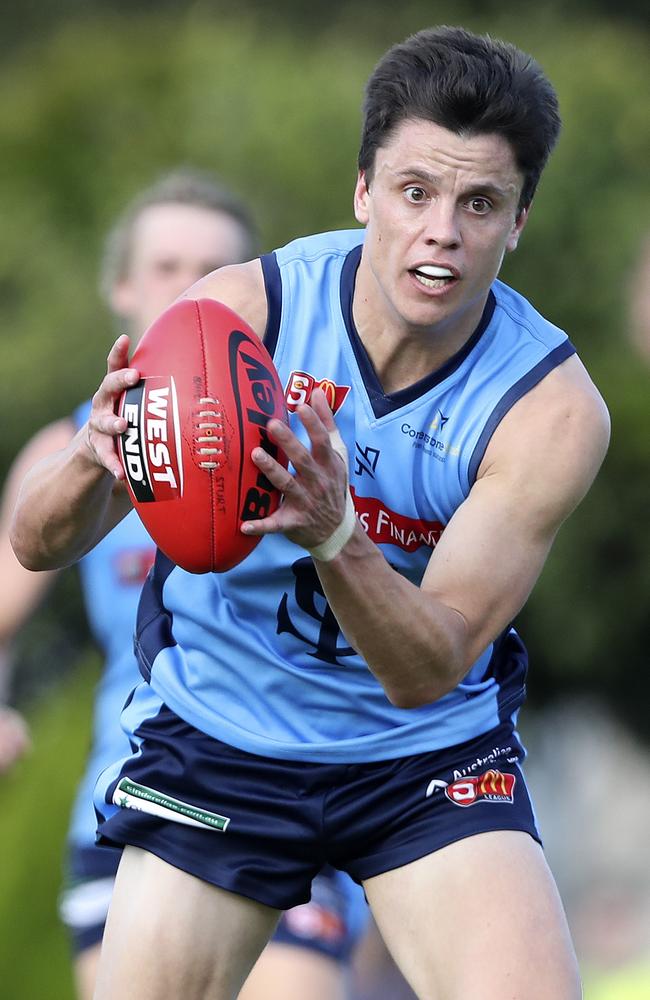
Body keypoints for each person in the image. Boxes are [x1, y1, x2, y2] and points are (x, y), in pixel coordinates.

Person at [10, 25, 611, 1000]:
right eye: (414, 193)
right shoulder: (237, 319)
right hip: (221, 733)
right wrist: (91, 465)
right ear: (363, 192)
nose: (441, 233)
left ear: (518, 222)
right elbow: (34, 546)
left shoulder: (546, 409)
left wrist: (335, 533)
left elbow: (427, 669)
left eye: (478, 203)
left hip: (420, 758)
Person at [1, 169, 368, 1000]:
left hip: (296, 789)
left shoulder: (312, 449)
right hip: (128, 789)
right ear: (123, 288)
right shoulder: (67, 449)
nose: (192, 287)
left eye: (216, 267)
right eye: (168, 266)